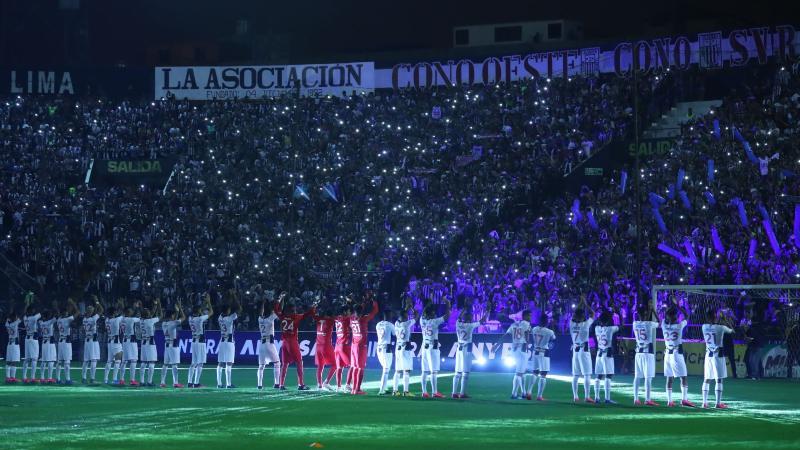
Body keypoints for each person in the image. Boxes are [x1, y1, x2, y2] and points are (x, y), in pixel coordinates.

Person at [275, 292, 313, 390]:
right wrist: (313, 306)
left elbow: (276, 309)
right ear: (292, 310)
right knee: (299, 362)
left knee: (285, 364)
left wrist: (280, 298)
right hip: (292, 342)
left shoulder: (282, 316)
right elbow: (307, 314)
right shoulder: (296, 317)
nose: (296, 310)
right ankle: (301, 384)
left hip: (284, 343)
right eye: (294, 309)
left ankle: (281, 384)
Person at [491, 309, 532, 400]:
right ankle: (515, 393)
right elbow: (527, 336)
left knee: (521, 372)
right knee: (519, 373)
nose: (530, 317)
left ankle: (523, 393)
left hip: (514, 349)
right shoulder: (527, 324)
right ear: (524, 316)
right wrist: (527, 347)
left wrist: (496, 345)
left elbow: (506, 336)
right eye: (529, 315)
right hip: (522, 349)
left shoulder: (513, 325)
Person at [661, 299, 694, 407]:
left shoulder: (663, 325)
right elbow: (687, 316)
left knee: (669, 378)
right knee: (683, 377)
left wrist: (670, 308)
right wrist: (678, 306)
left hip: (667, 354)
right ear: (675, 316)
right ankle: (684, 399)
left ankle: (669, 401)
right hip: (676, 353)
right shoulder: (679, 326)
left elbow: (665, 317)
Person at [453, 301, 488, 399]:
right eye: (471, 318)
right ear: (469, 319)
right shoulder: (470, 326)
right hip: (466, 349)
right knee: (465, 372)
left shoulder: (458, 324)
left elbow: (459, 317)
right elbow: (482, 321)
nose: (472, 319)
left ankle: (454, 392)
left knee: (457, 372)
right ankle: (462, 393)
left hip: (459, 348)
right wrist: (487, 311)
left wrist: (463, 309)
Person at [702, 308, 733, 409]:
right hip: (718, 354)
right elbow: (732, 331)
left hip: (708, 354)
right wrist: (726, 319)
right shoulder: (721, 327)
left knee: (706, 379)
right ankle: (718, 403)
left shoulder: (704, 326)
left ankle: (704, 403)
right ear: (715, 316)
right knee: (719, 380)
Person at [418, 298, 450, 398]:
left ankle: (424, 392)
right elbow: (447, 316)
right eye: (433, 313)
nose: (435, 315)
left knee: (424, 371)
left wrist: (426, 306)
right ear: (431, 314)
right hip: (432, 347)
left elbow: (422, 314)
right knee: (433, 371)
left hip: (425, 347)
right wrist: (448, 304)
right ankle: (434, 392)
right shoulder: (434, 322)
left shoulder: (422, 321)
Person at [349, 295, 379, 395]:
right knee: (360, 368)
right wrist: (374, 301)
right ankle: (357, 389)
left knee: (354, 367)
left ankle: (353, 389)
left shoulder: (351, 318)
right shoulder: (364, 319)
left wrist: (363, 303)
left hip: (353, 345)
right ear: (362, 311)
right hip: (361, 347)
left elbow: (357, 310)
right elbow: (375, 311)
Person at [632, 304, 659, 406]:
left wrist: (648, 311)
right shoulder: (649, 324)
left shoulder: (635, 323)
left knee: (637, 376)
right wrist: (653, 311)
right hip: (648, 353)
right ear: (646, 313)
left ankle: (636, 399)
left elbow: (645, 321)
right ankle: (647, 399)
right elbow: (659, 323)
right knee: (648, 377)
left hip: (638, 352)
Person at [569, 296, 595, 403]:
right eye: (583, 315)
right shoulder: (585, 325)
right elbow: (593, 314)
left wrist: (580, 302)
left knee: (575, 375)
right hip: (584, 351)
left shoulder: (571, 324)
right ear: (582, 316)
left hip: (575, 350)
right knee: (587, 374)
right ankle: (587, 396)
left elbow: (575, 313)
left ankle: (575, 396)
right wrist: (586, 303)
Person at [187, 293, 213, 388]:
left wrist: (202, 303)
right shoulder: (200, 318)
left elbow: (197, 310)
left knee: (193, 362)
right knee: (200, 363)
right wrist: (209, 302)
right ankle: (196, 383)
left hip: (194, 341)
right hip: (200, 342)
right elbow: (211, 313)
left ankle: (190, 382)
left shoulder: (190, 318)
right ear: (198, 311)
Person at [392, 298, 417, 397]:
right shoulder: (407, 324)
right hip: (405, 348)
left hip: (398, 348)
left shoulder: (397, 323)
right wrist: (412, 308)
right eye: (407, 316)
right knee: (407, 370)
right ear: (405, 317)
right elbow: (416, 316)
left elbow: (401, 316)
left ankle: (395, 390)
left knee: (398, 370)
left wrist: (407, 308)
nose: (408, 317)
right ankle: (406, 392)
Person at [593, 310, 618, 404]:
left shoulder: (597, 328)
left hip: (599, 354)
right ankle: (607, 399)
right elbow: (621, 326)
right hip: (607, 354)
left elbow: (597, 322)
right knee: (608, 375)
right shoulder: (610, 329)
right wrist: (617, 313)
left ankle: (596, 397)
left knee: (598, 375)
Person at [216, 292, 241, 389]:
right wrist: (234, 296)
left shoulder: (220, 318)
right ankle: (228, 384)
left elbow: (225, 310)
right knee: (229, 363)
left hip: (222, 341)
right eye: (229, 309)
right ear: (227, 310)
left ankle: (219, 383)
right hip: (229, 342)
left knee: (220, 363)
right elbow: (239, 309)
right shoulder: (230, 318)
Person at [530, 313, 556, 401]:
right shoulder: (549, 331)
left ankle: (529, 391)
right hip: (544, 352)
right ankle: (539, 395)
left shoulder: (534, 329)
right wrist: (552, 326)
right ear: (546, 321)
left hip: (535, 351)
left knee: (534, 372)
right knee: (543, 374)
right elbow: (554, 338)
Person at [311, 301, 336, 391]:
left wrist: (314, 306)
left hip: (318, 346)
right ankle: (326, 382)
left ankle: (319, 385)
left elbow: (312, 314)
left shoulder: (319, 319)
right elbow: (337, 318)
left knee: (320, 366)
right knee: (335, 365)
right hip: (326, 346)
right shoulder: (330, 320)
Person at [256, 299, 281, 390]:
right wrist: (281, 298)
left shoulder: (259, 319)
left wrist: (263, 303)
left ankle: (259, 385)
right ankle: (277, 384)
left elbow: (261, 312)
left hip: (262, 344)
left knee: (261, 365)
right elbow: (279, 310)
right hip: (269, 343)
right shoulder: (270, 318)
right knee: (277, 363)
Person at [160, 303, 185, 388]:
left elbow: (174, 321)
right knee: (174, 364)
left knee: (165, 364)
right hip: (173, 345)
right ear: (172, 315)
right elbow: (183, 318)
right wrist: (180, 309)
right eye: (173, 315)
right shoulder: (173, 323)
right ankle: (176, 382)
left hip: (166, 345)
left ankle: (162, 382)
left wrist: (176, 312)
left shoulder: (163, 324)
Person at [56, 298, 80, 385]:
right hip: (66, 342)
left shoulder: (59, 320)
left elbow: (61, 314)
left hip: (60, 341)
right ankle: (68, 379)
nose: (67, 313)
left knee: (59, 361)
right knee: (67, 362)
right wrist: (73, 303)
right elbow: (78, 312)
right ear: (64, 313)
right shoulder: (67, 319)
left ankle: (58, 379)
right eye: (66, 312)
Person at [139, 299, 161, 387]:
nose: (150, 313)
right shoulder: (150, 321)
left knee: (143, 363)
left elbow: (150, 314)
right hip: (150, 343)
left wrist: (154, 306)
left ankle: (141, 381)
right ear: (148, 315)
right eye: (148, 313)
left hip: (143, 343)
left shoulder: (141, 320)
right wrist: (158, 305)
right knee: (151, 362)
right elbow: (161, 315)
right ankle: (149, 381)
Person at [81, 296, 103, 384]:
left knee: (86, 360)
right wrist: (97, 301)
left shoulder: (84, 319)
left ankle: (83, 378)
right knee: (94, 360)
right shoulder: (93, 319)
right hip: (93, 341)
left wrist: (93, 308)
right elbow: (101, 310)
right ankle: (92, 379)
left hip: (87, 340)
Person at [103, 298, 125, 385]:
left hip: (110, 342)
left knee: (109, 361)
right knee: (117, 361)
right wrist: (121, 303)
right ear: (114, 313)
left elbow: (115, 313)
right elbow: (123, 313)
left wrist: (115, 308)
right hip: (116, 342)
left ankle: (105, 379)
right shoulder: (116, 320)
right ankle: (114, 379)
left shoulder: (107, 320)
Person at [120, 300, 142, 386]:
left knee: (124, 361)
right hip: (132, 342)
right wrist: (137, 308)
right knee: (133, 360)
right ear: (129, 312)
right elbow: (140, 317)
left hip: (124, 341)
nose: (132, 312)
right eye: (131, 311)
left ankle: (121, 379)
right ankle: (132, 380)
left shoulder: (121, 319)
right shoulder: (132, 319)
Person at [333, 304, 353, 392]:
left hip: (337, 346)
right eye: (348, 311)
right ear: (345, 312)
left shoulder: (337, 319)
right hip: (344, 346)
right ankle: (348, 385)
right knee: (352, 365)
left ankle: (338, 387)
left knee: (339, 367)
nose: (350, 313)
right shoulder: (347, 319)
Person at [375, 310, 395, 395]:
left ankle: (385, 387)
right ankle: (381, 390)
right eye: (391, 314)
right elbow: (395, 334)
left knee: (386, 368)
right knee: (386, 370)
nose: (391, 316)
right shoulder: (390, 325)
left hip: (379, 348)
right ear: (389, 316)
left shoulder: (378, 324)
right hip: (386, 349)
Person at [21, 296, 41, 384]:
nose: (34, 311)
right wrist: (35, 301)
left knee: (27, 359)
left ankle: (24, 377)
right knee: (34, 359)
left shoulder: (25, 318)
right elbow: (40, 313)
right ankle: (32, 377)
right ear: (31, 311)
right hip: (33, 339)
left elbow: (25, 312)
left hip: (27, 339)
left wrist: (28, 303)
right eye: (32, 310)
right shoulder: (33, 318)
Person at [38, 309, 57, 384]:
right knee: (51, 360)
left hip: (44, 342)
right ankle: (49, 378)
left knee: (44, 360)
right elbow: (56, 316)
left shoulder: (41, 322)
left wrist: (44, 315)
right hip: (50, 342)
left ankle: (42, 378)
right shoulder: (50, 322)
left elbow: (41, 319)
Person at [5, 309, 21, 383]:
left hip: (9, 344)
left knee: (8, 361)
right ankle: (13, 378)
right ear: (14, 318)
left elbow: (9, 319)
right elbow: (19, 318)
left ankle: (8, 378)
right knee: (14, 361)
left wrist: (11, 313)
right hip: (15, 344)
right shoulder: (15, 323)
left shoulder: (7, 324)